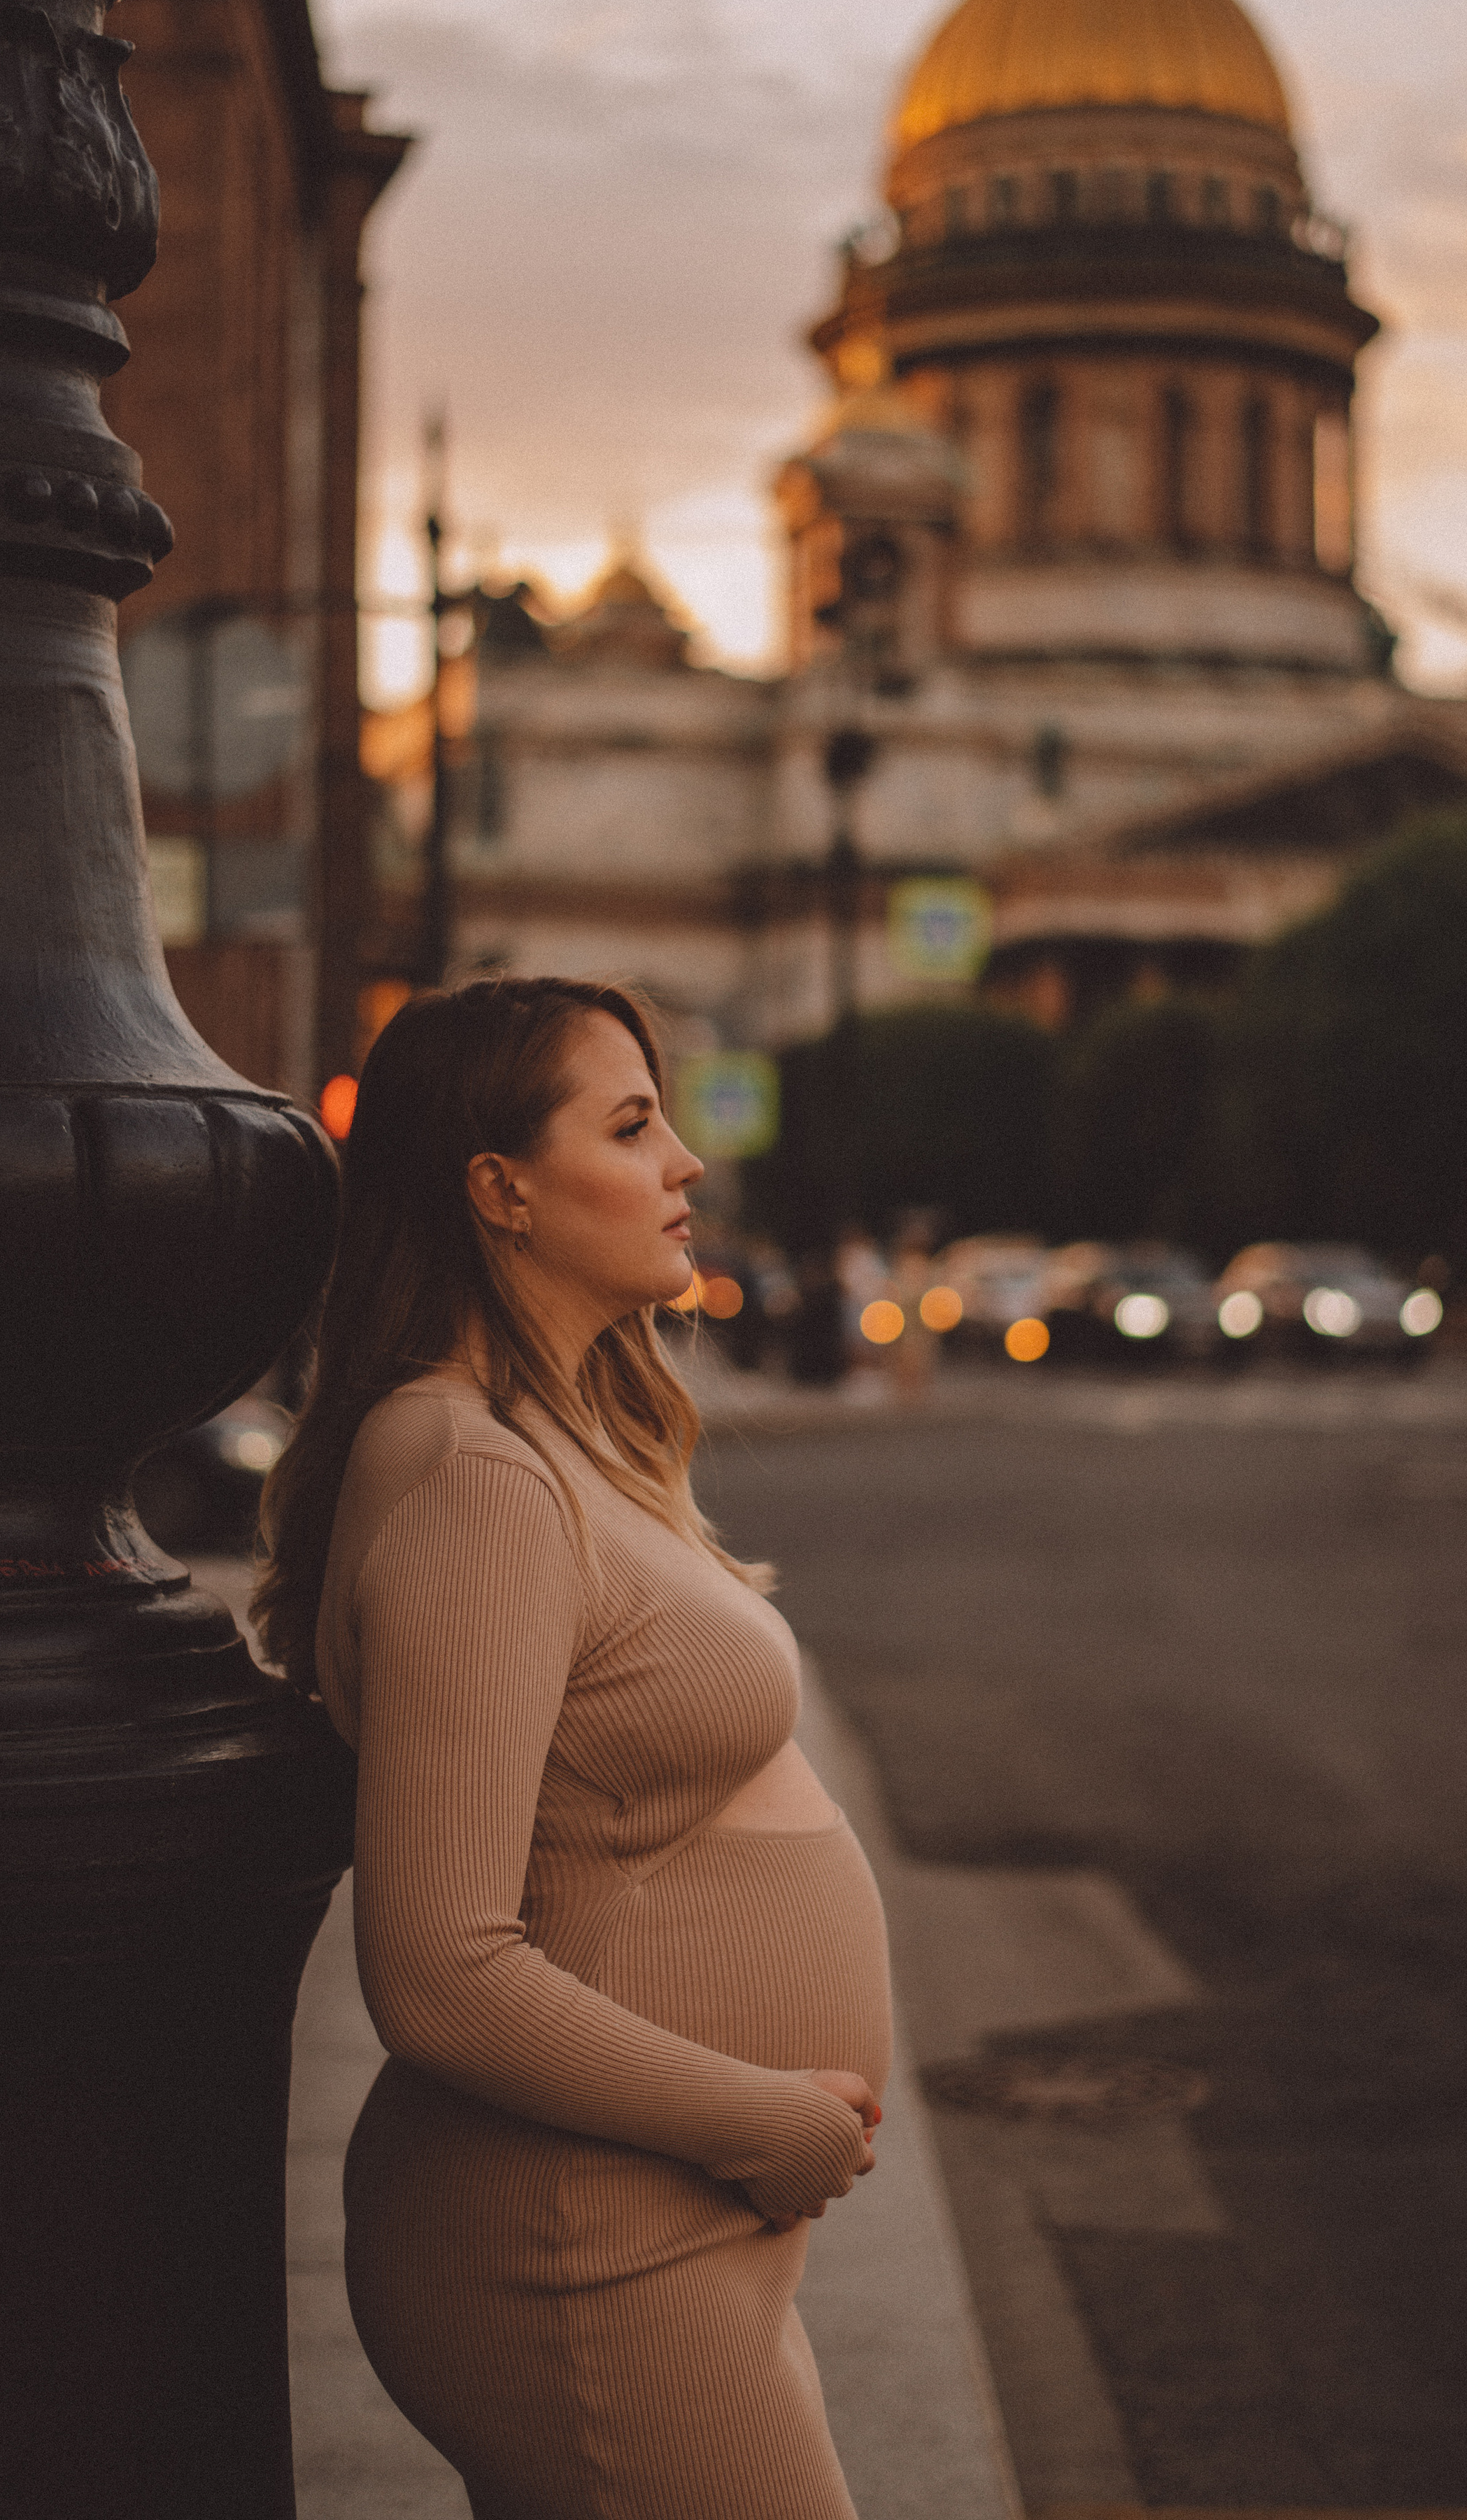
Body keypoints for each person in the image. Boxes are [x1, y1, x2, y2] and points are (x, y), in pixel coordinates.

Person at [253, 977, 891, 2520]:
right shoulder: (473, 1474)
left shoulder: (558, 1437)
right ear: (501, 1191)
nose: (684, 1162)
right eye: (630, 1124)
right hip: (579, 2247)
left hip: (646, 2226)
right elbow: (439, 1968)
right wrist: (761, 2119)